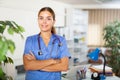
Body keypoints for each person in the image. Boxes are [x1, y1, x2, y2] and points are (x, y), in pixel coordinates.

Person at [23, 7, 71, 80]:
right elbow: (28, 66)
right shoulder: (30, 40)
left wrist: (36, 64)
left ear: (53, 21)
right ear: (38, 20)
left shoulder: (61, 40)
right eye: (41, 18)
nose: (44, 22)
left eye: (48, 19)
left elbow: (64, 67)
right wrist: (53, 61)